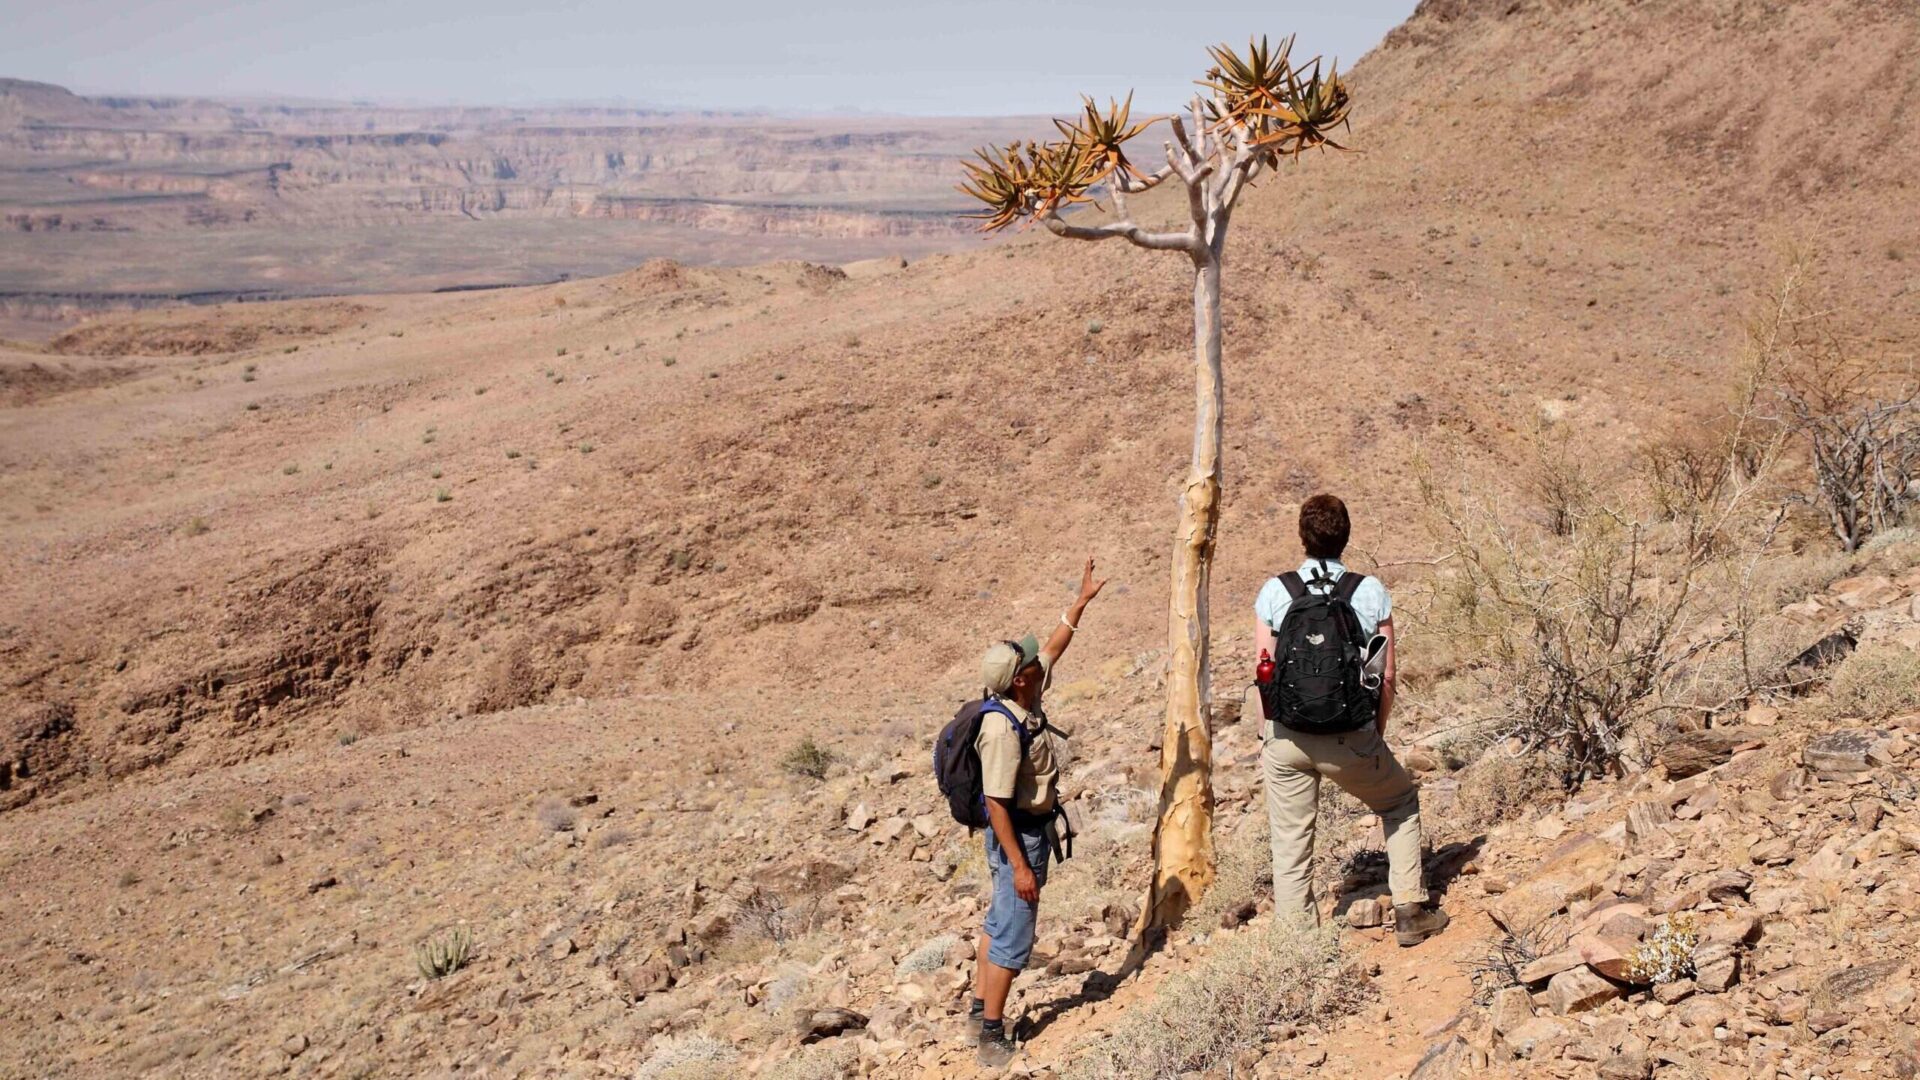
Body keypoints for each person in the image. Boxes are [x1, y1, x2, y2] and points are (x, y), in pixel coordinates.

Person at [1252, 494, 1448, 946]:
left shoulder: (1275, 591)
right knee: (1398, 802)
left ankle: (1297, 944)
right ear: (1346, 537)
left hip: (1287, 738)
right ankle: (1409, 912)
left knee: (1290, 842)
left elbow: (1263, 666)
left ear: (1302, 537)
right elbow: (1386, 672)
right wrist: (1373, 733)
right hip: (1350, 736)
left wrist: (1269, 733)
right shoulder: (1370, 591)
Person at [969, 557, 1105, 1067]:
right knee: (1013, 932)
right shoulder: (1004, 731)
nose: (1039, 662)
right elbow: (997, 804)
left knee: (998, 919)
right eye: (1031, 664)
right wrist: (1021, 865)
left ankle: (980, 1008)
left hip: (1021, 835)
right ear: (1021, 681)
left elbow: (1052, 646)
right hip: (1018, 837)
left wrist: (1081, 601)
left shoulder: (1019, 698)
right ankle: (990, 1035)